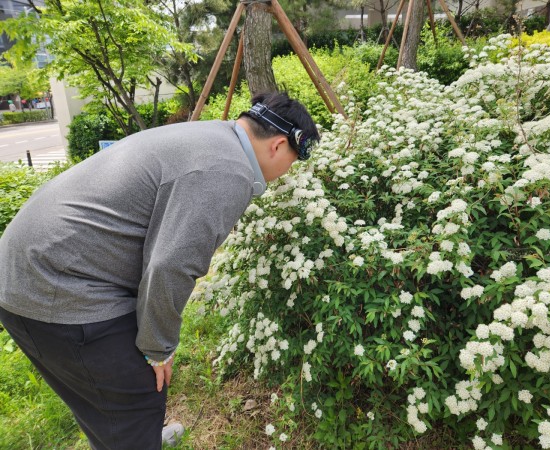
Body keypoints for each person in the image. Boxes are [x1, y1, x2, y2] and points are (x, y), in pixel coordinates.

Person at [0, 91, 319, 449]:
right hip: (57, 284)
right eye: (293, 161)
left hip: (26, 269)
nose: (287, 173)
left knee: (102, 398)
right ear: (278, 145)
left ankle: (132, 434)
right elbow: (171, 265)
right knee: (138, 391)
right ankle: (135, 433)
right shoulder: (229, 171)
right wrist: (158, 349)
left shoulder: (212, 136)